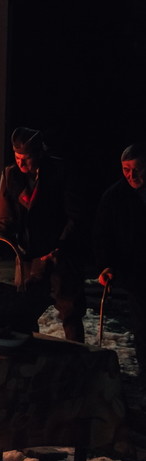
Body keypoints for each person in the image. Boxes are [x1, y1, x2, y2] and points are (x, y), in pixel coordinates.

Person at [0, 127, 86, 342]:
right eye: (17, 157)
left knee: (70, 312)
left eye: (27, 158)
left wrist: (60, 248)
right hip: (27, 257)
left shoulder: (60, 171)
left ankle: (76, 363)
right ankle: (29, 364)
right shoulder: (10, 175)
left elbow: (75, 216)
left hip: (59, 255)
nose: (21, 163)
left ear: (39, 153)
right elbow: (5, 219)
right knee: (24, 312)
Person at [93, 143, 146, 383]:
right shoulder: (114, 196)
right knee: (142, 329)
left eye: (136, 169)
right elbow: (103, 235)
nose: (131, 176)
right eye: (126, 170)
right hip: (136, 272)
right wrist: (105, 265)